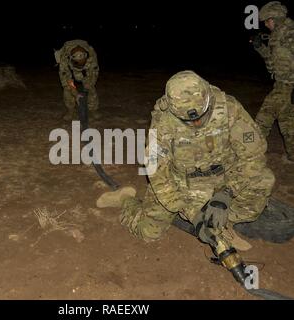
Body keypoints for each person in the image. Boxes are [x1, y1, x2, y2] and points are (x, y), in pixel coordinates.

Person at [97, 71, 275, 259]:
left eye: (201, 117)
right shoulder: (164, 121)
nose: (196, 123)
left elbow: (254, 156)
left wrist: (227, 194)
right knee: (148, 233)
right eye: (189, 120)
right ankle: (126, 199)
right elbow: (157, 172)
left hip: (225, 176)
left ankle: (220, 224)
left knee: (262, 181)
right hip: (183, 183)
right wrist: (191, 214)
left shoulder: (229, 109)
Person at [252, 1, 294, 161]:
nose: (266, 25)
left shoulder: (290, 34)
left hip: (287, 87)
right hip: (282, 85)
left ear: (275, 19)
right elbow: (272, 64)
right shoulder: (277, 36)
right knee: (287, 123)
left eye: (267, 21)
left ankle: (250, 154)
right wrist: (260, 47)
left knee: (264, 118)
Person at [54, 39, 100, 121]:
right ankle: (70, 110)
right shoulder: (64, 59)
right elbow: (67, 80)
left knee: (90, 86)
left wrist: (89, 84)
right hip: (70, 68)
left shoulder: (92, 56)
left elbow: (94, 73)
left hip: (86, 71)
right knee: (67, 89)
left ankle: (93, 110)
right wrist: (75, 93)